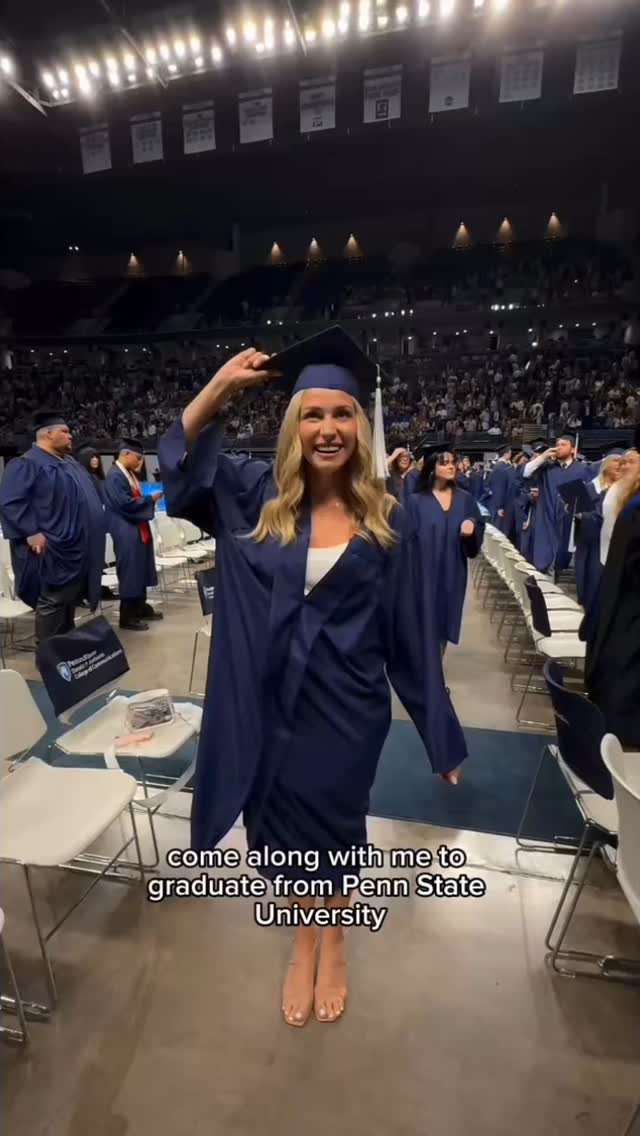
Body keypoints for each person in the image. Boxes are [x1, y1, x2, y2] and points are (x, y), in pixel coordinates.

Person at [158, 330, 467, 1028]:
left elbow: (411, 636)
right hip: (268, 709)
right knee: (280, 836)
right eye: (313, 414)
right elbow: (176, 470)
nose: (328, 429)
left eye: (342, 413)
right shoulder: (248, 494)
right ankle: (305, 939)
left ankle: (336, 941)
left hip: (347, 713)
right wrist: (219, 387)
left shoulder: (390, 518)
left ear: (360, 425)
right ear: (294, 426)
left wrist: (440, 734)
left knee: (337, 831)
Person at [0, 411, 106, 641]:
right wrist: (31, 532)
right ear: (47, 434)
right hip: (54, 549)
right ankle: (48, 654)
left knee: (68, 601)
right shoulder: (27, 463)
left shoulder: (69, 463)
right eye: (64, 431)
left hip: (76, 547)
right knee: (54, 600)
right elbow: (11, 502)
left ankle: (64, 652)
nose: (70, 435)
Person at [585, 444, 640, 748]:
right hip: (627, 606)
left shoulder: (631, 502)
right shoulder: (632, 503)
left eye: (630, 462)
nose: (623, 466)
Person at [409, 448, 484, 652]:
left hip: (453, 571)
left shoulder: (465, 499)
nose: (451, 466)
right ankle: (425, 669)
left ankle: (437, 669)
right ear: (432, 468)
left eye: (453, 462)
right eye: (444, 463)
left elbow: (477, 524)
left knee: (445, 621)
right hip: (422, 574)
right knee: (422, 623)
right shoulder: (416, 501)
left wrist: (471, 525)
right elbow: (405, 541)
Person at [104, 439, 164, 631]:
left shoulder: (128, 474)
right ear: (126, 454)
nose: (140, 462)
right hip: (125, 528)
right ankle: (127, 616)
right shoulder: (115, 476)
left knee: (141, 568)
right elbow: (125, 504)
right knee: (130, 571)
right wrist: (150, 499)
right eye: (138, 458)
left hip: (136, 526)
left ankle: (140, 607)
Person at [522, 433, 591, 575]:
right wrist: (543, 456)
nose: (558, 447)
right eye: (557, 445)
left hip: (567, 518)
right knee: (543, 556)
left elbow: (584, 500)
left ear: (573, 449)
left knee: (562, 556)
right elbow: (525, 472)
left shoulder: (582, 469)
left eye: (563, 445)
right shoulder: (547, 467)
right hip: (546, 515)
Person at [574, 451, 623, 613]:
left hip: (611, 538)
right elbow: (576, 512)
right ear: (605, 466)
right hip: (590, 538)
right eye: (616, 463)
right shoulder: (589, 487)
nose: (620, 466)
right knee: (588, 574)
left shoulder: (623, 491)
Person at [488, 444, 515, 536]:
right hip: (502, 506)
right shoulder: (500, 467)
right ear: (505, 454)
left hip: (505, 504)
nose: (511, 455)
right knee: (501, 532)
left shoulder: (502, 466)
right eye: (510, 453)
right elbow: (498, 488)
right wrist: (500, 507)